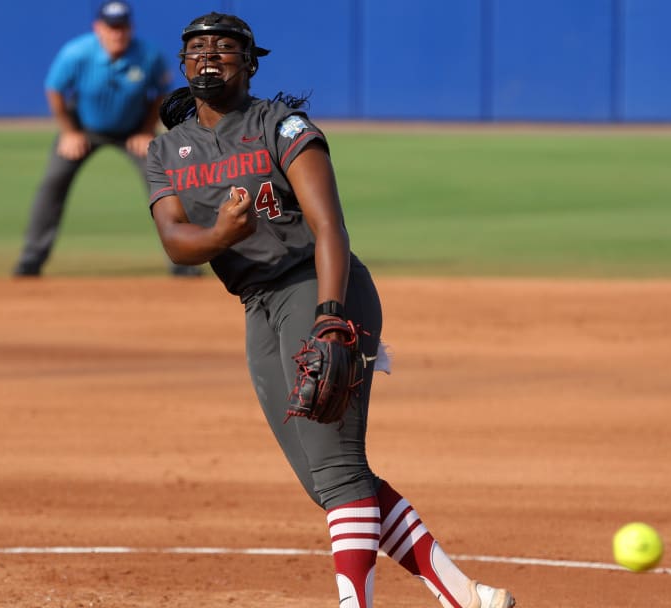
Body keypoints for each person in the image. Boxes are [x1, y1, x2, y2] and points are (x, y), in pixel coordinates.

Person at [145, 12, 517, 608]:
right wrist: (223, 233)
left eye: (224, 46)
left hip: (318, 287)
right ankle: (462, 594)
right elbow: (175, 243)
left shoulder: (282, 125)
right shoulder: (166, 149)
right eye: (196, 48)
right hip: (257, 305)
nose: (209, 55)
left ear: (251, 62)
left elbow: (328, 226)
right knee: (328, 480)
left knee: (339, 467)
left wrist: (328, 314)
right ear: (183, 63)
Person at [13, 0, 202, 278]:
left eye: (122, 27)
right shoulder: (77, 53)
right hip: (84, 127)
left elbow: (161, 93)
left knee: (166, 183)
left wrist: (146, 129)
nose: (117, 33)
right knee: (53, 182)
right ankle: (30, 260)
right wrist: (69, 131)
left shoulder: (148, 55)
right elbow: (54, 90)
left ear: (131, 28)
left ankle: (183, 261)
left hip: (133, 128)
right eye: (111, 27)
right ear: (98, 28)